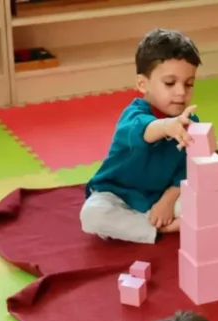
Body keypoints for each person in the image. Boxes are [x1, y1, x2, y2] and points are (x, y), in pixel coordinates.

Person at [80, 29, 203, 243]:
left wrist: (167, 201)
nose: (181, 92)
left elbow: (186, 170)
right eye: (170, 83)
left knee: (203, 200)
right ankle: (156, 229)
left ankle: (150, 221)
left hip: (160, 193)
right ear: (143, 84)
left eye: (189, 84)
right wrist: (168, 126)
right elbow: (145, 130)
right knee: (92, 215)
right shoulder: (134, 117)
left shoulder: (189, 123)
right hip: (116, 194)